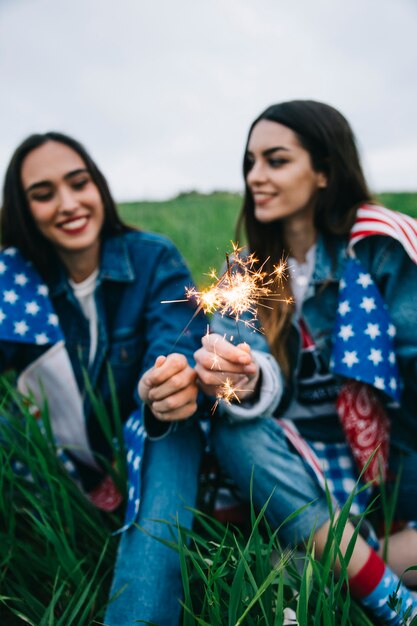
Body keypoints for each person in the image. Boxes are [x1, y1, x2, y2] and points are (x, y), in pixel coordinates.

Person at [194, 101, 417, 624]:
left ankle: (318, 568)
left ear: (323, 171)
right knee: (232, 428)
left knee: (256, 573)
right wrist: (242, 377)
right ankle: (396, 599)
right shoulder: (243, 271)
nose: (256, 177)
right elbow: (244, 365)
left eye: (276, 161)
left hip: (392, 457)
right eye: (251, 163)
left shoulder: (380, 248)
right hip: (298, 468)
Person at [0, 132, 206, 626]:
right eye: (44, 194)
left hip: (144, 435)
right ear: (22, 209)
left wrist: (164, 383)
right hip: (60, 455)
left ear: (99, 186)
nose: (68, 204)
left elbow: (174, 346)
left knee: (171, 427)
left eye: (78, 183)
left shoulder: (152, 256)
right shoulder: (16, 283)